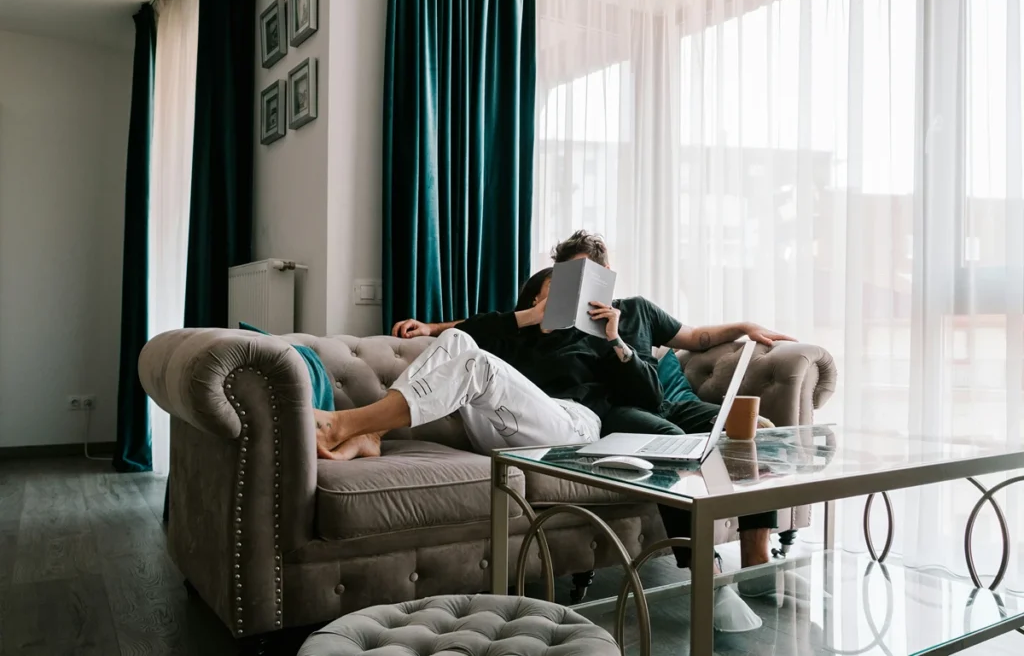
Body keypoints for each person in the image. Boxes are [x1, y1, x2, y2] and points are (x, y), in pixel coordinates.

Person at [390, 231, 802, 628]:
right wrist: (432, 328)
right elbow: (492, 326)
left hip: (671, 402)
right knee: (674, 445)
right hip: (622, 411)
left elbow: (697, 337)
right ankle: (707, 572)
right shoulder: (564, 326)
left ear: (605, 276)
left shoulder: (637, 309)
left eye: (589, 276)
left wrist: (745, 326)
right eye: (569, 277)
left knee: (751, 435)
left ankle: (757, 559)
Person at [314, 268, 662, 461]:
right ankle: (372, 433)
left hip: (572, 430)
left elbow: (651, 396)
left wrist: (615, 338)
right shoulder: (513, 335)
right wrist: (528, 318)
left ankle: (345, 424)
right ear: (536, 297)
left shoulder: (592, 339)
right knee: (457, 340)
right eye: (557, 289)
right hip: (503, 430)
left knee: (478, 364)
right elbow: (471, 329)